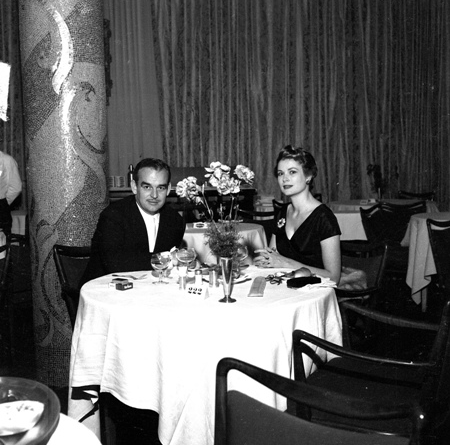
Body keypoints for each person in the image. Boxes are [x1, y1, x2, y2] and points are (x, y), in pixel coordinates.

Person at [81, 158, 185, 284]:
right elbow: (116, 265)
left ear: (168, 189)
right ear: (134, 187)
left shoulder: (175, 220)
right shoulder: (113, 216)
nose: (154, 195)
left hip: (152, 288)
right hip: (106, 287)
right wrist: (168, 259)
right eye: (147, 187)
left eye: (161, 188)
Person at [254, 145, 341, 283]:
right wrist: (265, 260)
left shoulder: (324, 217)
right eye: (280, 173)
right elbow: (273, 257)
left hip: (315, 291)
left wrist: (286, 263)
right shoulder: (282, 212)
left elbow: (334, 277)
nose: (285, 178)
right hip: (286, 287)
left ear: (308, 176)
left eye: (292, 172)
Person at [0, 150, 22, 235]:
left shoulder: (6, 160)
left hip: (1, 208)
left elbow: (16, 187)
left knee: (2, 239)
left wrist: (4, 203)